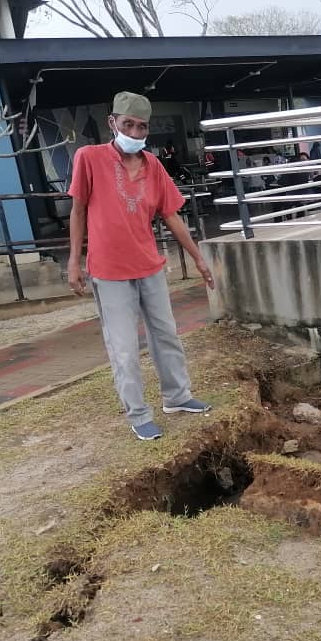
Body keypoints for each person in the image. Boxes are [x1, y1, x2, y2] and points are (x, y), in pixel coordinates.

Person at [67, 92, 214, 442]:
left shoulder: (153, 165)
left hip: (149, 265)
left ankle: (177, 397)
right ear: (112, 123)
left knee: (166, 334)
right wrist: (73, 260)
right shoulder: (89, 158)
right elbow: (78, 211)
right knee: (124, 348)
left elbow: (171, 215)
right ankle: (138, 413)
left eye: (141, 126)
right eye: (128, 124)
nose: (134, 132)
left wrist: (196, 256)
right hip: (109, 270)